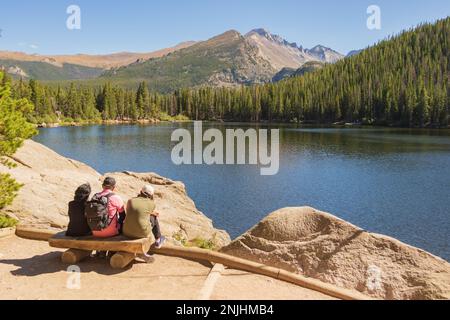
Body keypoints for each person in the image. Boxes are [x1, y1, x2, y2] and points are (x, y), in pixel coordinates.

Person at [123, 185, 166, 249]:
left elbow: (134, 211)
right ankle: (158, 239)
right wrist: (152, 213)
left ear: (140, 191)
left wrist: (151, 213)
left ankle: (158, 238)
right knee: (153, 217)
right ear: (151, 195)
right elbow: (146, 211)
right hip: (141, 234)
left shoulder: (130, 201)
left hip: (126, 232)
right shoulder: (152, 204)